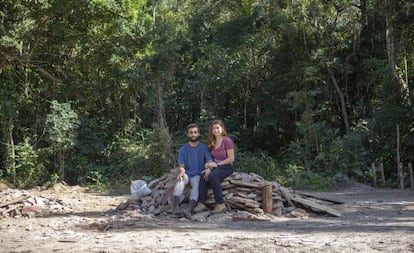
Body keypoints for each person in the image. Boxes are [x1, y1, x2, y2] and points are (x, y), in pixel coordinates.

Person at [170, 123, 213, 217]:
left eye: (195, 132)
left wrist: (209, 168)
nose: (193, 134)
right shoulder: (183, 149)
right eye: (191, 133)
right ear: (187, 134)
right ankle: (175, 208)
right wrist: (181, 172)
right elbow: (182, 165)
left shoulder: (203, 148)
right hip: (187, 173)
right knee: (180, 180)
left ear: (198, 134)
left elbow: (210, 161)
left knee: (197, 184)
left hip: (197, 174)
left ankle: (189, 209)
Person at [193, 119, 235, 214]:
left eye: (218, 128)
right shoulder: (212, 141)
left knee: (213, 176)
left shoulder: (226, 140)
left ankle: (220, 204)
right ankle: (201, 203)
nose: (216, 130)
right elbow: (209, 159)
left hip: (226, 166)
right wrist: (208, 168)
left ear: (222, 128)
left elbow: (231, 158)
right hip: (215, 166)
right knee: (203, 176)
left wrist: (217, 165)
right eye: (214, 128)